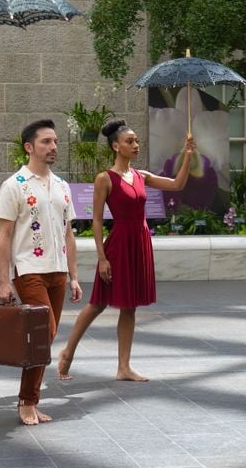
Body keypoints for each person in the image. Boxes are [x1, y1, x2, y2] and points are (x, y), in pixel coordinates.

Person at [56, 119, 194, 382]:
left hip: (140, 242)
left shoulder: (142, 176)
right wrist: (102, 258)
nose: (136, 145)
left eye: (137, 141)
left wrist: (187, 155)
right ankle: (68, 352)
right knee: (98, 303)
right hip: (119, 244)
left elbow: (177, 184)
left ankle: (124, 367)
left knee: (129, 306)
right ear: (116, 146)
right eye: (130, 141)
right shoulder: (104, 179)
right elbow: (97, 220)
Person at [0, 119, 82, 426]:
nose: (53, 147)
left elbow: (68, 233)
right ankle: (27, 400)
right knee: (42, 334)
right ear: (29, 147)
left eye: (55, 141)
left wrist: (73, 275)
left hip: (57, 271)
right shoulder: (14, 185)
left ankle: (29, 397)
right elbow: (4, 235)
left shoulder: (62, 186)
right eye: (46, 142)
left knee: (46, 334)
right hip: (28, 269)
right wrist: (5, 280)